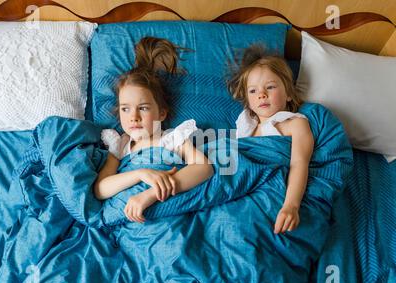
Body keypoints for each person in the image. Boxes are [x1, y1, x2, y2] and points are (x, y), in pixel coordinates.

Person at [94, 37, 213, 223]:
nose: (134, 117)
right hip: (129, 219)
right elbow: (100, 189)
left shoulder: (171, 138)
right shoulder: (121, 146)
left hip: (166, 213)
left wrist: (149, 195)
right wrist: (140, 173)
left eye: (143, 108)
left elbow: (203, 168)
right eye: (126, 108)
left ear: (162, 114)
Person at [227, 45, 314, 234]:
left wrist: (291, 206)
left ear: (289, 93)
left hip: (270, 191)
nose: (261, 94)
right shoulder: (244, 126)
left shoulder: (294, 124)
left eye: (270, 87)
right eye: (253, 91)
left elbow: (299, 164)